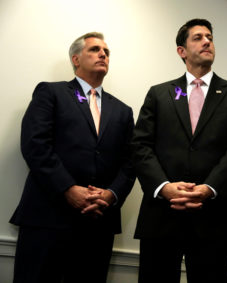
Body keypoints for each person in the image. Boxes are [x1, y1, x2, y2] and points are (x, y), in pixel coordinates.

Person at [131, 18, 227, 283]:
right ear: (181, 51)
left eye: (209, 37)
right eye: (198, 37)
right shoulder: (159, 93)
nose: (207, 41)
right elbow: (140, 145)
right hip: (162, 214)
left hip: (214, 215)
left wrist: (208, 188)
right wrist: (163, 186)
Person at [10, 32, 135, 283]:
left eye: (106, 52)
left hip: (98, 222)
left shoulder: (122, 110)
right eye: (95, 50)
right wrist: (68, 188)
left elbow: (131, 161)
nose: (103, 54)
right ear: (76, 59)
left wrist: (111, 194)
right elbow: (35, 145)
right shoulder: (51, 93)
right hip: (48, 217)